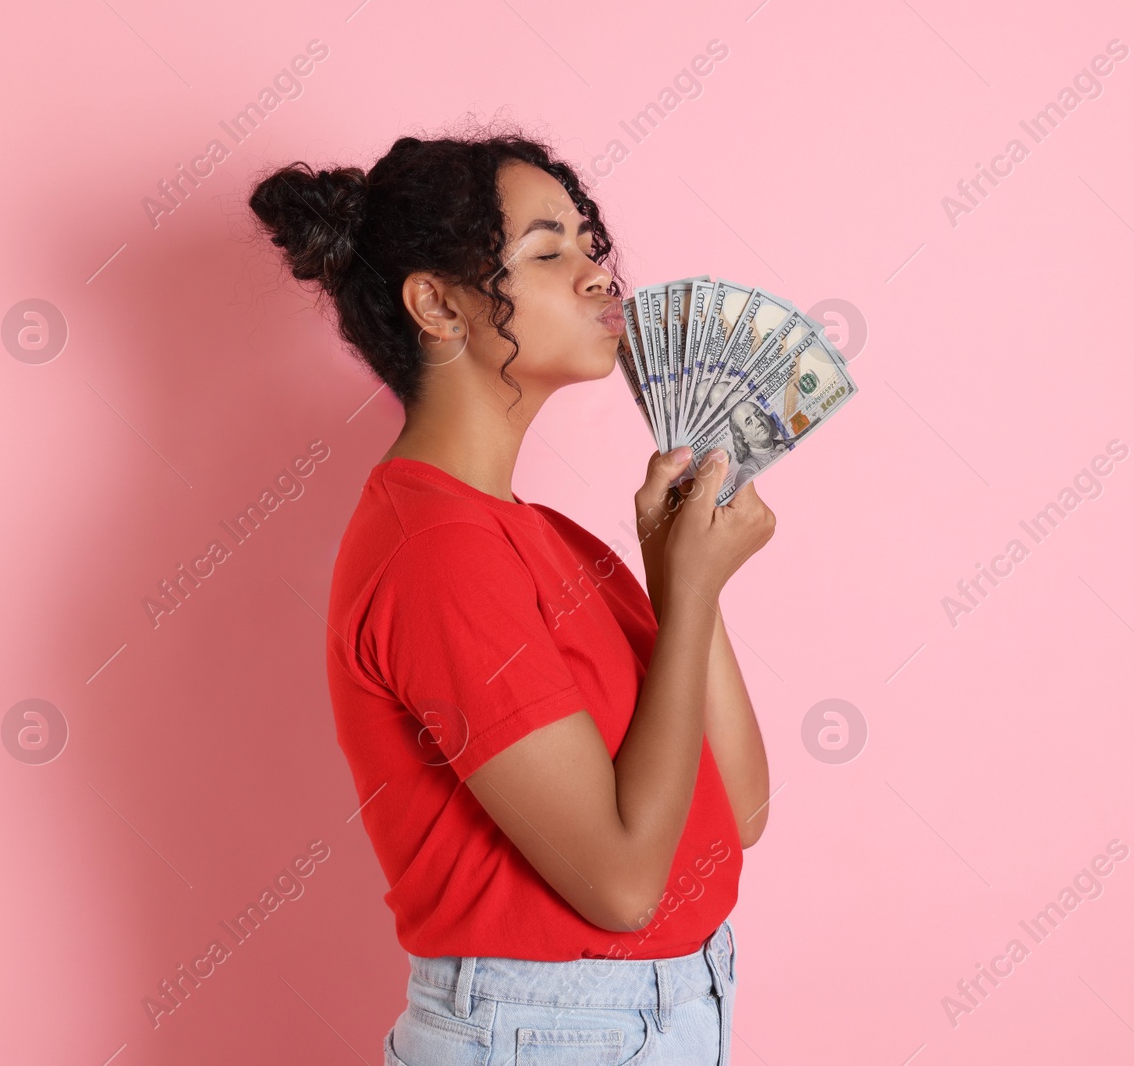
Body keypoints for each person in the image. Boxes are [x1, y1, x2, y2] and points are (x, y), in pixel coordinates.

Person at [247, 125, 775, 1066]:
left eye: (589, 242)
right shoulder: (436, 553)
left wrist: (684, 582)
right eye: (547, 249)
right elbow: (619, 887)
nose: (598, 274)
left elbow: (738, 812)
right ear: (438, 305)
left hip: (665, 1011)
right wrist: (684, 596)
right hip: (551, 1030)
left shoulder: (548, 539)